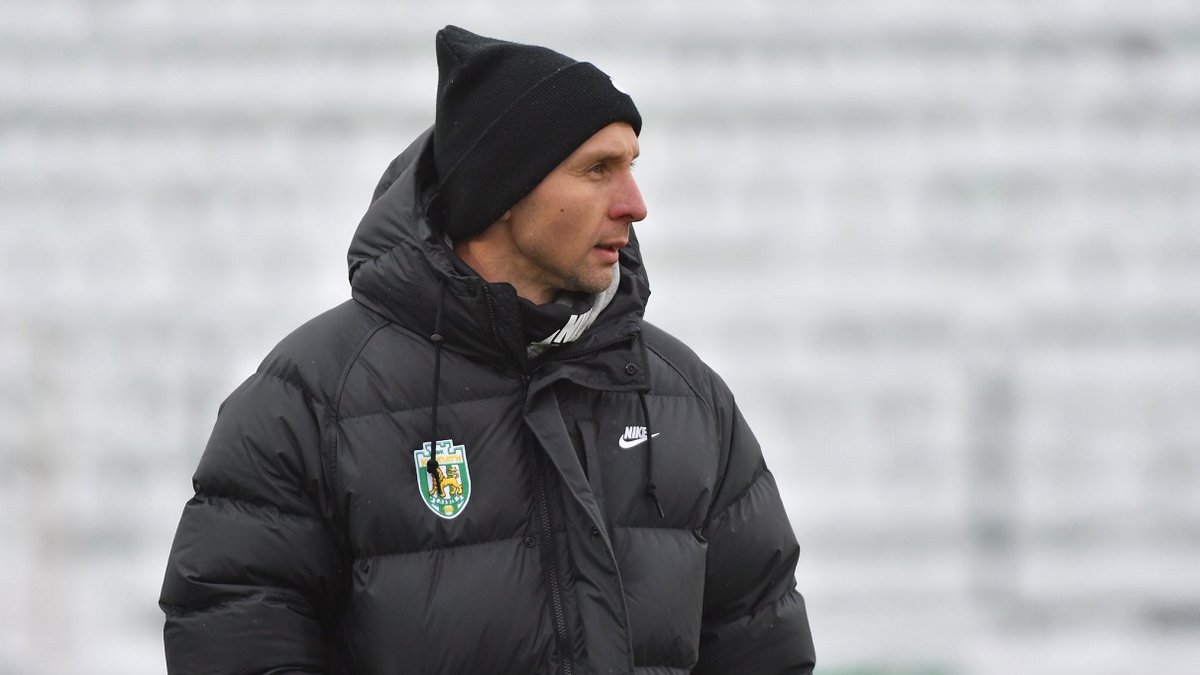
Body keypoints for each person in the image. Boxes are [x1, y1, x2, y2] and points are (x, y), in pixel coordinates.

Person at [160, 25, 815, 675]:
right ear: (503, 190)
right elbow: (234, 637)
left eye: (631, 167)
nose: (634, 205)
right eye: (598, 170)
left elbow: (764, 648)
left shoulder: (685, 397)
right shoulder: (309, 398)